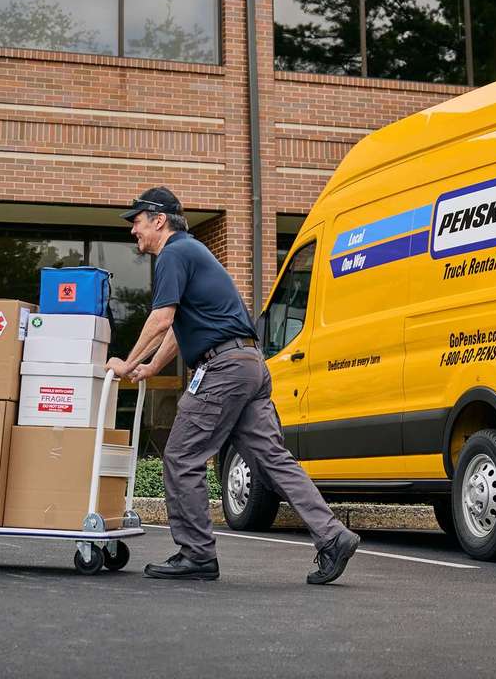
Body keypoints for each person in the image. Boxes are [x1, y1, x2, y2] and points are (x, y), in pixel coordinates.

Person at [107, 187, 360, 584]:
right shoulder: (191, 252)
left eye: (137, 221)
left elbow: (160, 318)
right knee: (272, 459)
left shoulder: (173, 253)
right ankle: (333, 536)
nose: (133, 230)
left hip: (223, 369)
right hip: (247, 364)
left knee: (181, 455)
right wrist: (154, 365)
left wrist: (127, 363)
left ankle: (196, 555)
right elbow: (178, 325)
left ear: (159, 220)